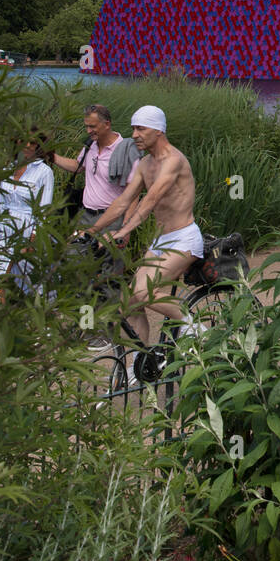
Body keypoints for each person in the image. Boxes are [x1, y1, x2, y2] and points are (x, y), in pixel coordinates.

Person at [84, 106, 204, 389]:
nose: (134, 135)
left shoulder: (173, 160)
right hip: (161, 241)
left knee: (143, 292)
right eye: (133, 129)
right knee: (131, 302)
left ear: (158, 130)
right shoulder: (144, 164)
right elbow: (124, 201)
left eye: (141, 129)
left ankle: (193, 325)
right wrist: (92, 230)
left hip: (184, 238)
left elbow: (149, 202)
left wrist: (123, 231)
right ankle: (143, 360)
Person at [52, 104, 140, 234]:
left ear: (107, 124)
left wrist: (125, 228)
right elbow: (78, 166)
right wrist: (52, 157)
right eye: (86, 126)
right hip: (85, 216)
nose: (88, 131)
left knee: (102, 254)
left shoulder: (125, 151)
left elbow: (134, 192)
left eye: (92, 126)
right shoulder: (91, 145)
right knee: (72, 251)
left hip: (111, 220)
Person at [0, 131, 55, 303]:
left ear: (38, 145)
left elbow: (44, 207)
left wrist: (35, 236)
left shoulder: (44, 172)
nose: (27, 146)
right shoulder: (8, 168)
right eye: (23, 141)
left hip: (27, 228)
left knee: (32, 280)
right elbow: (1, 203)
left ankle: (46, 315)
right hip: (5, 227)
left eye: (33, 142)